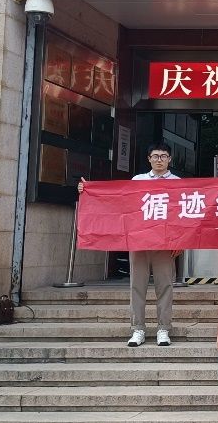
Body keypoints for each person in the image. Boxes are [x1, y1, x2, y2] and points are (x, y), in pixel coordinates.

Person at [78, 142, 180, 347]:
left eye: (163, 156)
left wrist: (180, 241)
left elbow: (181, 216)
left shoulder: (178, 183)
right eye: (155, 156)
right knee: (137, 286)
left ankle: (163, 329)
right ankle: (138, 329)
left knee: (165, 287)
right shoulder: (137, 180)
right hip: (139, 241)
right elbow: (119, 202)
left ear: (169, 159)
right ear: (149, 159)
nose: (159, 160)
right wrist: (88, 190)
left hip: (165, 243)